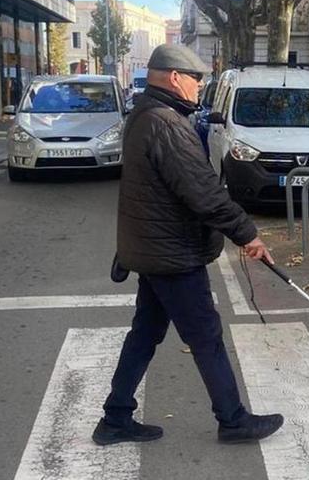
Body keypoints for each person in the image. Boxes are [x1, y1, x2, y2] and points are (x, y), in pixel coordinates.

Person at [93, 44, 284, 447]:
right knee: (205, 336)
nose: (200, 86)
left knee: (145, 332)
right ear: (175, 78)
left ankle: (115, 417)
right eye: (196, 79)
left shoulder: (146, 116)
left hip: (154, 249)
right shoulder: (165, 124)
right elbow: (203, 194)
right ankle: (232, 420)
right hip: (172, 253)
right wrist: (247, 234)